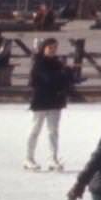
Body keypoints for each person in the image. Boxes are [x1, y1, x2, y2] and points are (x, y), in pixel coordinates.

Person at [26, 35, 72, 171]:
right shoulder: (38, 63)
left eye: (55, 48)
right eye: (50, 47)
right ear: (43, 48)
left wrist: (66, 76)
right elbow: (48, 79)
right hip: (40, 101)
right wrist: (63, 75)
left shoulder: (57, 63)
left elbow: (66, 80)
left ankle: (53, 158)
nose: (53, 50)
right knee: (35, 130)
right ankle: (29, 158)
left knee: (53, 131)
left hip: (55, 101)